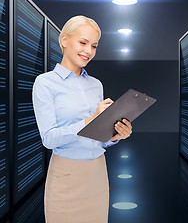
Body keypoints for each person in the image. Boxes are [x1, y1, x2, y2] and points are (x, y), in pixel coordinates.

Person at [32, 15, 132, 223]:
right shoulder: (45, 83)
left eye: (94, 46)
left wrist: (115, 136)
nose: (88, 51)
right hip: (66, 176)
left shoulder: (96, 84)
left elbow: (97, 138)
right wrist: (90, 119)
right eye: (83, 42)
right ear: (64, 40)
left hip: (97, 174)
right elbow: (49, 139)